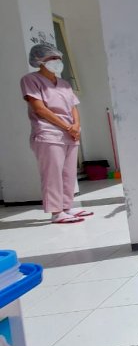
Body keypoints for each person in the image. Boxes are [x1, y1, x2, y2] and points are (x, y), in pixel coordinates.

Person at [21, 44, 93, 224]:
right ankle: (56, 212)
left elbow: (73, 108)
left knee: (69, 172)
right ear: (39, 61)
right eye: (50, 58)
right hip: (48, 133)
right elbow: (40, 109)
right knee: (52, 173)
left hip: (71, 134)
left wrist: (76, 125)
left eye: (58, 58)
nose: (56, 62)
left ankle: (67, 207)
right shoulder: (30, 80)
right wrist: (67, 127)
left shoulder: (64, 84)